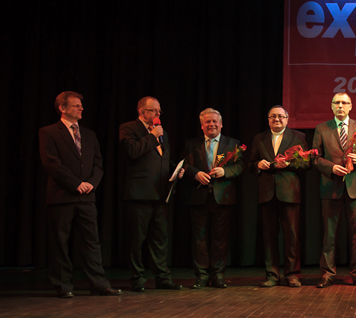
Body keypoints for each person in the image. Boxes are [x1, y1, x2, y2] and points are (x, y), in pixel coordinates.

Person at [38, 91, 122, 298]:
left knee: (91, 242)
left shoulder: (89, 134)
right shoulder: (49, 132)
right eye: (76, 105)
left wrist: (91, 184)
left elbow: (98, 164)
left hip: (86, 197)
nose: (81, 108)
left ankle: (99, 284)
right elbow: (52, 163)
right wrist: (76, 184)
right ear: (62, 108)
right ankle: (63, 285)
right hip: (62, 196)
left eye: (80, 105)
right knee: (60, 243)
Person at [119, 96, 182, 292]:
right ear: (142, 111)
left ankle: (162, 277)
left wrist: (175, 170)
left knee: (160, 238)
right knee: (136, 239)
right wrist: (152, 136)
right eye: (154, 110)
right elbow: (132, 151)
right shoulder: (129, 128)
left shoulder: (163, 133)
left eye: (159, 111)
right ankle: (137, 278)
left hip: (161, 193)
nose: (158, 114)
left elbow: (164, 160)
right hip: (139, 193)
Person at [312, 93, 356, 288]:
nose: (340, 106)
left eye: (344, 103)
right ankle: (327, 274)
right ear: (332, 106)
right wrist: (331, 168)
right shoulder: (322, 128)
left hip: (355, 186)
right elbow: (315, 157)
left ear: (350, 106)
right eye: (337, 103)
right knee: (329, 234)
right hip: (331, 186)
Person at [180, 108, 245, 289]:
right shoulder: (191, 144)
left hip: (223, 198)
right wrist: (195, 174)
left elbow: (240, 166)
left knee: (220, 239)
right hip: (198, 197)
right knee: (199, 239)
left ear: (221, 124)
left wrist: (225, 171)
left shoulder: (233, 143)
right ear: (202, 125)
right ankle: (201, 275)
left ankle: (217, 275)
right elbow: (183, 165)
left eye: (215, 121)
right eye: (207, 122)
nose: (211, 124)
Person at [250, 105, 310, 287]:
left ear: (287, 119)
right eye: (273, 116)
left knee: (292, 236)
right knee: (269, 236)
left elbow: (306, 163)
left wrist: (289, 165)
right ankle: (272, 274)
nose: (277, 119)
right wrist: (257, 165)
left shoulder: (298, 137)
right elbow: (250, 163)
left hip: (289, 193)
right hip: (267, 193)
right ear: (268, 120)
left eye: (280, 117)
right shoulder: (259, 138)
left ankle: (292, 274)